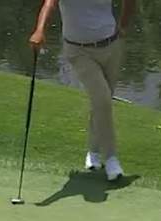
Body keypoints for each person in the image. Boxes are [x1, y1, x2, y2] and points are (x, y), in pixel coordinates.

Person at [29, 0, 138, 181]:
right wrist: (40, 30)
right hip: (78, 51)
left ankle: (93, 152)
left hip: (111, 47)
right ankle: (111, 159)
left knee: (101, 104)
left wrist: (124, 25)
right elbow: (49, 4)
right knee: (102, 100)